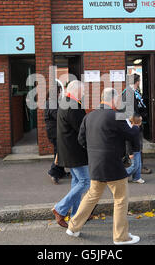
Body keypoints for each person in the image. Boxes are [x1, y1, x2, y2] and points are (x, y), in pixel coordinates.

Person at [66, 88, 141, 245]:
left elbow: (81, 140)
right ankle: (121, 237)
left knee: (91, 196)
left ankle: (73, 227)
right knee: (120, 199)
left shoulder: (89, 116)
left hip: (95, 164)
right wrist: (136, 126)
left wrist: (95, 151)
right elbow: (130, 134)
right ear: (113, 100)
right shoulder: (116, 116)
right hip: (113, 165)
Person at [51, 80, 89, 228]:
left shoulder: (66, 102)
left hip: (68, 151)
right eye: (83, 91)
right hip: (76, 152)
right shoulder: (73, 105)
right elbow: (82, 129)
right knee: (85, 182)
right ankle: (60, 208)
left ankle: (76, 215)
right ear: (76, 91)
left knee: (77, 182)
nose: (84, 93)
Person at [122, 73, 152, 175]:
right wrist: (136, 120)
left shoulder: (132, 92)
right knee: (136, 144)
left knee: (135, 144)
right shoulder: (129, 93)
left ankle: (135, 165)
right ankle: (138, 167)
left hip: (134, 121)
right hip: (133, 123)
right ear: (137, 82)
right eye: (139, 81)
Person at [45, 84, 69, 184]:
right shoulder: (52, 103)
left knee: (58, 151)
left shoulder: (52, 102)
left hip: (54, 131)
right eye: (59, 92)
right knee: (59, 152)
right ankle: (53, 172)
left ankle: (60, 172)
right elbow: (58, 116)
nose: (60, 94)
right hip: (55, 132)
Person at [125, 113, 145, 184]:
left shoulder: (137, 128)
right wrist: (130, 153)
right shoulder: (133, 129)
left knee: (139, 165)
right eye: (141, 120)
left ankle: (137, 177)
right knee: (135, 165)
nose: (142, 122)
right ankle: (123, 174)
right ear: (138, 121)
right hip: (133, 151)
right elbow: (128, 142)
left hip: (137, 150)